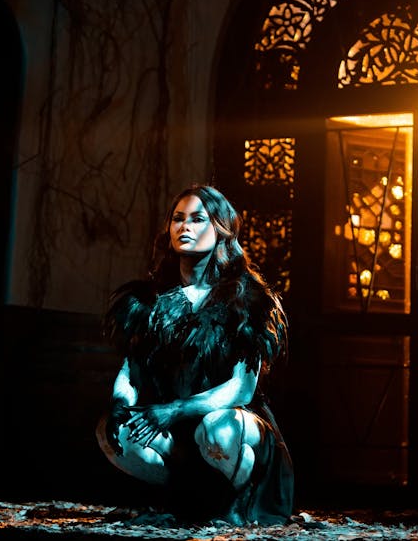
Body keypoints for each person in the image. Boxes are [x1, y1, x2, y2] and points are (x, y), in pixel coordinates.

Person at [95, 184, 293, 526]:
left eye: (198, 219)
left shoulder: (246, 299)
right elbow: (129, 371)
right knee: (114, 430)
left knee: (218, 428)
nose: (184, 226)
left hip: (232, 427)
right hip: (177, 435)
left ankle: (236, 505)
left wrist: (175, 409)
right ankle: (188, 499)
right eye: (177, 218)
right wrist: (118, 405)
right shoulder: (150, 301)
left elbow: (241, 389)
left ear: (221, 228)